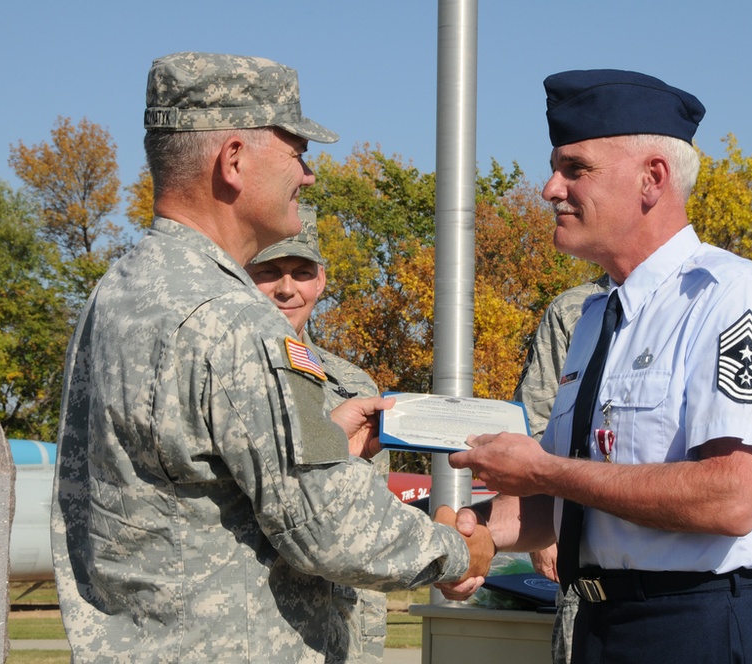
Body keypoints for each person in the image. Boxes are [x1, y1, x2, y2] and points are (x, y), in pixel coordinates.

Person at [50, 51, 493, 663]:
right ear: (233, 160)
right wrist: (454, 550)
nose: (307, 175)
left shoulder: (122, 291)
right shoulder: (233, 318)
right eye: (295, 152)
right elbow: (328, 529)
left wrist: (321, 442)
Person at [442, 69, 752, 663]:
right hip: (599, 622)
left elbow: (728, 498)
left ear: (653, 178)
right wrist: (474, 532)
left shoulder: (733, 297)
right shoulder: (596, 316)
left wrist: (545, 471)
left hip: (705, 625)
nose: (549, 188)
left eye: (576, 168)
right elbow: (569, 502)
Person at [246, 205, 389, 662]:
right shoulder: (223, 373)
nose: (286, 289)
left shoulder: (352, 385)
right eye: (269, 272)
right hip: (249, 628)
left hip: (336, 635)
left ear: (321, 281)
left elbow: (370, 518)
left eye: (301, 272)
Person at [513, 275, 608, 664]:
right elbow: (532, 422)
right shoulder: (575, 309)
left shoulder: (707, 292)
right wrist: (542, 529)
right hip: (580, 552)